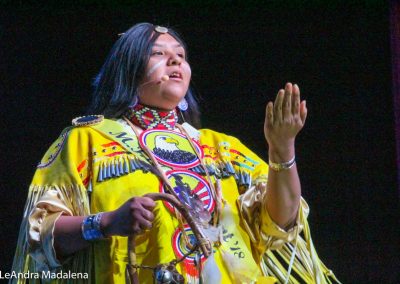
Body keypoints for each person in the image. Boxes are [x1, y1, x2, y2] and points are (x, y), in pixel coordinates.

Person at [11, 23, 340, 284]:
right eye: (158, 54)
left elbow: (280, 223)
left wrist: (282, 150)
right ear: (128, 70)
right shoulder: (86, 141)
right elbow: (40, 235)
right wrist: (106, 222)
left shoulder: (221, 148)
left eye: (181, 55)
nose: (176, 61)